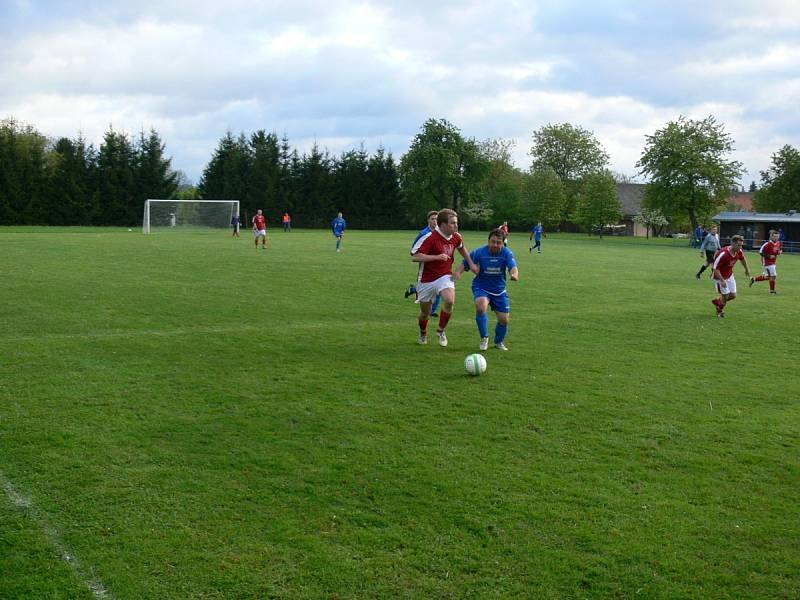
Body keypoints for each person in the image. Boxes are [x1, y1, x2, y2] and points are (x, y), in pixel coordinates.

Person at [411, 208, 478, 346]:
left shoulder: (456, 236)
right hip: (426, 279)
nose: (456, 226)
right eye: (452, 223)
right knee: (425, 313)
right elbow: (415, 256)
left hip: (445, 276)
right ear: (442, 225)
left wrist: (471, 264)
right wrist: (436, 257)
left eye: (456, 222)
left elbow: (461, 247)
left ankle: (441, 331)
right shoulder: (429, 237)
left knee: (449, 300)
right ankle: (423, 333)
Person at [455, 228, 519, 351]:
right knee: (481, 306)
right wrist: (458, 273)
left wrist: (514, 274)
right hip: (481, 286)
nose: (495, 245)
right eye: (492, 241)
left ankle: (499, 342)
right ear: (488, 241)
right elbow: (465, 263)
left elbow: (513, 266)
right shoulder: (480, 252)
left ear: (503, 243)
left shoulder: (507, 253)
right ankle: (484, 337)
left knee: (504, 320)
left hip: (499, 290)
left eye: (498, 242)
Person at [404, 211, 443, 317]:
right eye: (432, 219)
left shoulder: (441, 233)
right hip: (426, 265)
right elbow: (414, 250)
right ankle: (412, 289)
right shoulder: (423, 234)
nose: (435, 221)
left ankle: (432, 311)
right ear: (428, 220)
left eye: (436, 219)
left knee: (440, 287)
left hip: (439, 265)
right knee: (425, 287)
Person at [710, 234, 752, 318]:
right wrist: (722, 281)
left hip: (729, 275)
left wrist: (746, 269)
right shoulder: (723, 254)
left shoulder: (739, 251)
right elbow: (715, 268)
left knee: (733, 295)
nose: (740, 247)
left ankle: (717, 302)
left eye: (741, 245)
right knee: (725, 296)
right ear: (733, 243)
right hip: (719, 277)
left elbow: (742, 259)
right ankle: (719, 311)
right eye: (738, 245)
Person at [750, 229, 782, 294]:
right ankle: (772, 291)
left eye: (777, 236)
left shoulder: (778, 243)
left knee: (768, 277)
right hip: (767, 262)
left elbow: (777, 250)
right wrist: (769, 256)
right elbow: (761, 252)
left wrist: (779, 252)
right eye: (775, 236)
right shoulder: (767, 244)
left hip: (773, 262)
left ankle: (754, 279)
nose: (776, 238)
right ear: (771, 237)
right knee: (773, 276)